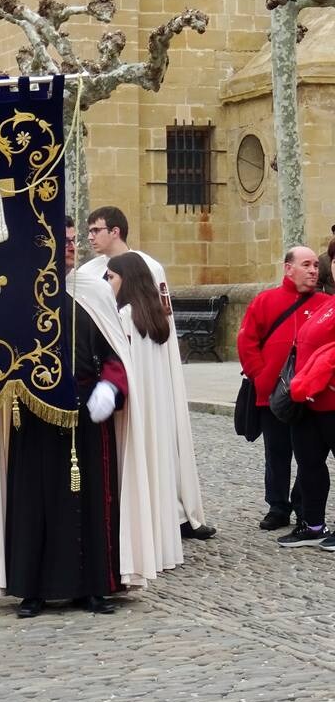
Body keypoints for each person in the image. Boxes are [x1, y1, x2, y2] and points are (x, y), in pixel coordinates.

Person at [0, 221, 130, 617]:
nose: (72, 247)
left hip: (87, 408)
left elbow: (115, 352)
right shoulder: (19, 294)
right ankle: (33, 588)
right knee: (35, 501)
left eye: (75, 241)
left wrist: (111, 387)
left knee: (90, 501)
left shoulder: (93, 291)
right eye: (65, 241)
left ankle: (94, 586)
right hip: (35, 411)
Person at [81, 205, 215, 540]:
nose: (90, 237)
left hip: (147, 365)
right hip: (113, 371)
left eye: (96, 230)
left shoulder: (149, 266)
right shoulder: (87, 273)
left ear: (116, 231)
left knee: (160, 440)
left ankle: (177, 512)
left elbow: (160, 318)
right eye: (89, 231)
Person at [105, 251, 190, 573]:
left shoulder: (124, 318)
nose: (107, 284)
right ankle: (162, 542)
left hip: (135, 412)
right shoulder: (156, 319)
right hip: (158, 410)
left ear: (126, 280)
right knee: (158, 473)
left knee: (136, 474)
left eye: (111, 277)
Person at [237, 246, 328, 530]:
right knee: (276, 453)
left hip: (310, 395)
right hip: (273, 394)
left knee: (309, 455)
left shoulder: (326, 304)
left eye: (315, 265)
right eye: (306, 265)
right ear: (288, 268)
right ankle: (277, 506)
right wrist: (262, 376)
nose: (313, 270)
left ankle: (304, 506)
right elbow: (247, 341)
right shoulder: (265, 301)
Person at [282, 284, 335, 549]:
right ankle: (313, 525)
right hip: (308, 402)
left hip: (331, 399)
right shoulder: (328, 303)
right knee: (308, 464)